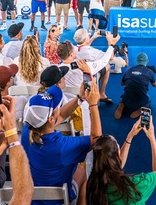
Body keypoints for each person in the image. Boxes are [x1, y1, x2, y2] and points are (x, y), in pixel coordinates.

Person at [21, 76, 102, 205]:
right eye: (56, 106)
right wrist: (93, 104)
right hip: (58, 198)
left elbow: (62, 115)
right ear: (51, 119)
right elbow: (96, 138)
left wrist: (79, 99)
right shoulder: (63, 146)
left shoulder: (27, 131)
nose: (59, 107)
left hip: (31, 194)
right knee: (81, 171)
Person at [81, 118, 156, 205]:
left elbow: (115, 165)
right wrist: (152, 138)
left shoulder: (91, 185)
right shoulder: (137, 184)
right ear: (118, 154)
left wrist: (130, 136)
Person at [74, 29, 115, 103]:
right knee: (107, 65)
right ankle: (102, 93)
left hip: (78, 73)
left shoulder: (74, 49)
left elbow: (84, 46)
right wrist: (110, 42)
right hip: (90, 74)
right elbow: (110, 57)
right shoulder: (92, 52)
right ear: (86, 39)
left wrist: (93, 37)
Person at [114, 52, 156, 119]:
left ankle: (121, 105)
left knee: (124, 96)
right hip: (140, 99)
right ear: (147, 61)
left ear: (136, 61)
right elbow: (155, 85)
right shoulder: (150, 72)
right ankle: (140, 109)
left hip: (127, 99)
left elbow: (122, 84)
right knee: (148, 99)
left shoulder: (128, 70)